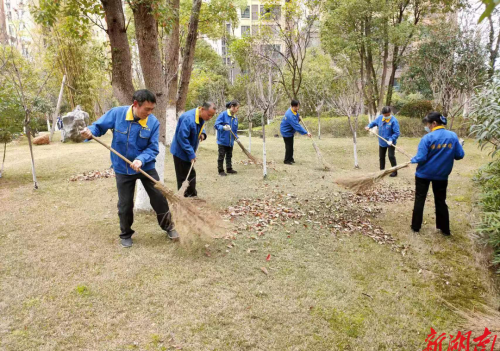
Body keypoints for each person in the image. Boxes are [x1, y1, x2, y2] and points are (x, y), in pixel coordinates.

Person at [80, 89, 178, 248]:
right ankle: (126, 234)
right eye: (147, 109)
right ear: (135, 104)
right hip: (122, 167)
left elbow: (153, 148)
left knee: (159, 197)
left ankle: (169, 227)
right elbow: (99, 127)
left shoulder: (153, 122)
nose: (150, 112)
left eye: (152, 109)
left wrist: (140, 159)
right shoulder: (117, 114)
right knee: (125, 204)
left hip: (145, 167)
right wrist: (90, 131)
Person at [410, 112, 465, 236]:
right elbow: (459, 155)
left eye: (428, 124)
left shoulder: (427, 138)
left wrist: (413, 159)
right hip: (441, 175)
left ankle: (415, 227)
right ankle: (444, 228)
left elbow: (421, 157)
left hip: (423, 174)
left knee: (420, 199)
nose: (427, 127)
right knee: (440, 200)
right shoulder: (452, 136)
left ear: (434, 123)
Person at [170, 102, 217, 197]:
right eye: (209, 115)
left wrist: (203, 133)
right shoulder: (188, 118)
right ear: (202, 109)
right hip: (181, 152)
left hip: (188, 150)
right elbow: (182, 138)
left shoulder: (200, 116)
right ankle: (186, 197)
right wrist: (191, 154)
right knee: (184, 176)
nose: (210, 118)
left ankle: (191, 195)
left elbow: (200, 126)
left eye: (212, 116)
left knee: (190, 174)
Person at [365, 106, 401, 177]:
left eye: (387, 115)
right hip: (382, 142)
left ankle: (394, 172)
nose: (386, 116)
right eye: (385, 115)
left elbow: (396, 133)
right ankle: (382, 171)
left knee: (391, 156)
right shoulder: (380, 118)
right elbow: (374, 123)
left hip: (390, 142)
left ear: (390, 113)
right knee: (381, 157)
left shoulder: (394, 121)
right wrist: (369, 126)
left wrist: (391, 139)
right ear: (383, 114)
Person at [280, 99, 311, 165]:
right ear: (294, 106)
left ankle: (291, 158)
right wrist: (306, 133)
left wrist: (298, 118)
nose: (298, 108)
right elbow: (297, 126)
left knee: (291, 146)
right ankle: (287, 160)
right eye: (298, 106)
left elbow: (296, 115)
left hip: (290, 131)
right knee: (288, 147)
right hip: (286, 131)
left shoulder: (293, 110)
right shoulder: (289, 115)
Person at [214, 100, 239, 176]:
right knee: (221, 156)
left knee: (229, 155)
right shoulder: (223, 115)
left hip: (230, 141)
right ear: (232, 107)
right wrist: (223, 127)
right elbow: (216, 125)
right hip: (222, 140)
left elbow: (234, 130)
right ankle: (220, 170)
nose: (238, 109)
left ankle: (229, 169)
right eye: (237, 108)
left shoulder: (235, 118)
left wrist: (237, 138)